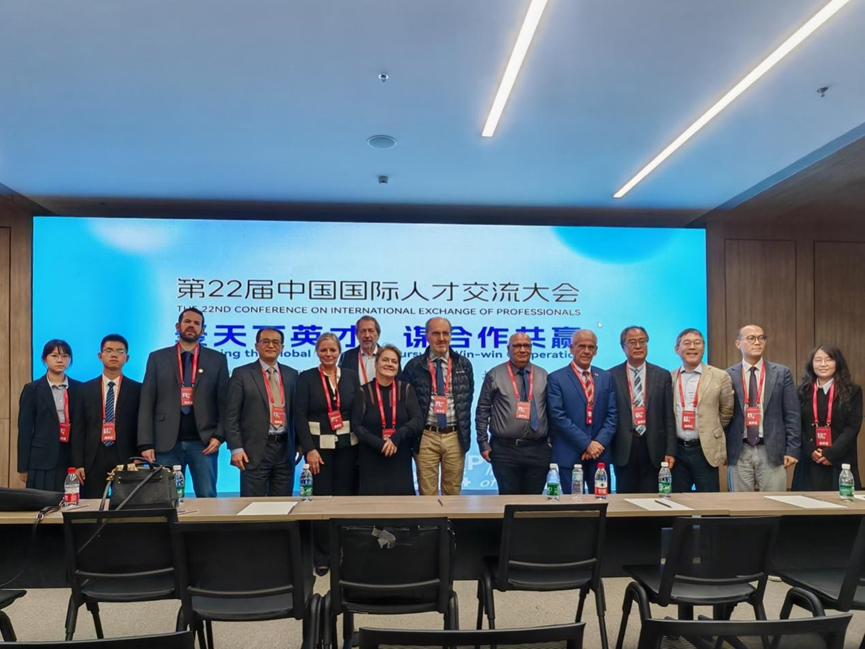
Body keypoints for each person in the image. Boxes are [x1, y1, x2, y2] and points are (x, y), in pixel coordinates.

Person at [138, 308, 229, 498]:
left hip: (203, 443)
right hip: (165, 443)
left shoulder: (217, 359)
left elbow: (224, 402)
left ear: (203, 330)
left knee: (207, 496)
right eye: (187, 321)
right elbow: (147, 401)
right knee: (165, 499)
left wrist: (219, 436)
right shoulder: (157, 358)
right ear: (178, 326)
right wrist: (145, 443)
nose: (191, 326)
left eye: (197, 323)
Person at [295, 332, 359, 571]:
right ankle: (322, 556)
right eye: (323, 350)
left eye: (333, 350)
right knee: (321, 502)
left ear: (339, 351)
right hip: (318, 450)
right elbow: (299, 415)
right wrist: (309, 449)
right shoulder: (307, 377)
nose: (328, 354)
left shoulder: (351, 377)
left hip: (347, 448)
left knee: (344, 500)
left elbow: (357, 411)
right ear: (317, 352)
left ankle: (344, 552)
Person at [401, 317, 474, 495]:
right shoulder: (414, 366)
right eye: (436, 334)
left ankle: (450, 517)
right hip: (426, 435)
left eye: (445, 334)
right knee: (428, 495)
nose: (441, 338)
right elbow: (405, 403)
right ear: (427, 336)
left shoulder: (464, 364)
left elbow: (468, 398)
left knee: (453, 493)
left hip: (455, 436)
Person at [725, 324, 800, 492]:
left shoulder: (781, 373)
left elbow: (792, 414)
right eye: (751, 338)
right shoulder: (727, 375)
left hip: (772, 449)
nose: (757, 342)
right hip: (739, 450)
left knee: (775, 503)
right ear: (738, 344)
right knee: (740, 504)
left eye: (761, 338)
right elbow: (723, 416)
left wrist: (792, 449)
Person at [226, 327, 299, 497]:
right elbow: (231, 414)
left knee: (282, 504)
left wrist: (300, 445)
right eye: (265, 341)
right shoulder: (241, 373)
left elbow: (297, 413)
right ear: (256, 346)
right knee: (252, 505)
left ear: (282, 347)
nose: (271, 345)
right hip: (253, 450)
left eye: (276, 342)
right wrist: (236, 448)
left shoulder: (292, 374)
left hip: (285, 449)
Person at [476, 333, 550, 495]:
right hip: (505, 450)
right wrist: (483, 442)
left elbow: (551, 411)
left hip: (538, 449)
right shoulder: (495, 374)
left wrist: (551, 442)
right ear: (508, 349)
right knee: (508, 499)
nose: (522, 350)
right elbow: (483, 409)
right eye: (517, 346)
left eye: (526, 346)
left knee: (534, 500)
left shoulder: (543, 375)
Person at [547, 329, 618, 495]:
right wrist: (586, 444)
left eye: (591, 347)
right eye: (581, 346)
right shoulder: (556, 378)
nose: (586, 351)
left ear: (596, 350)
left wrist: (598, 443)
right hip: (569, 455)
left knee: (602, 503)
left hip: (599, 455)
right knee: (573, 506)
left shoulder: (605, 377)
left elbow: (612, 415)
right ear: (571, 348)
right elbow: (558, 416)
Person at [71, 334, 141, 499]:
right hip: (93, 457)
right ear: (100, 356)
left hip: (126, 456)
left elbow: (141, 425)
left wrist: (139, 456)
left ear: (127, 358)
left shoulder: (138, 389)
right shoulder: (84, 389)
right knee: (92, 505)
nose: (114, 355)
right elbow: (78, 428)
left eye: (119, 351)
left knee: (126, 505)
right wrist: (77, 463)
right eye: (108, 351)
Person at [609, 326, 676, 493]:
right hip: (624, 447)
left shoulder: (662, 375)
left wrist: (670, 450)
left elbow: (668, 416)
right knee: (625, 497)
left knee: (652, 497)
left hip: (654, 446)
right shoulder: (611, 376)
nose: (638, 346)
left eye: (642, 341)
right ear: (623, 347)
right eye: (632, 342)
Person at [670, 328, 734, 493]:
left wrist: (711, 429)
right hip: (677, 450)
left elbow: (727, 411)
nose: (692, 347)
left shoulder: (720, 376)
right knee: (677, 501)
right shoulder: (669, 377)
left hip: (705, 449)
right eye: (687, 343)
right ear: (677, 349)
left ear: (703, 348)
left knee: (709, 502)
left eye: (697, 343)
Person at [351, 344, 422, 495]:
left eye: (394, 361)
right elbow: (356, 425)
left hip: (400, 455)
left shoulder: (406, 389)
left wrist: (396, 438)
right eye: (385, 360)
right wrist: (380, 444)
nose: (390, 364)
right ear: (376, 364)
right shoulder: (363, 391)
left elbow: (417, 420)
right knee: (372, 505)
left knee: (401, 505)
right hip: (371, 456)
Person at [792, 345, 862, 491]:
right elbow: (796, 425)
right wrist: (811, 450)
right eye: (818, 360)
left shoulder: (852, 391)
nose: (823, 364)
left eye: (829, 360)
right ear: (812, 364)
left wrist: (831, 453)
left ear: (838, 363)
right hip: (810, 461)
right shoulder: (801, 392)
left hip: (840, 460)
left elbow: (852, 427)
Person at [17, 339, 83, 491]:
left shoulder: (79, 388)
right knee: (41, 501)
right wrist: (23, 467)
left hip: (70, 458)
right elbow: (25, 429)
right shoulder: (32, 389)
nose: (60, 360)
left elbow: (81, 427)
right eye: (54, 356)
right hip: (41, 460)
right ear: (44, 359)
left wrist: (80, 462)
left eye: (65, 356)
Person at [338, 315, 389, 385]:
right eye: (363, 331)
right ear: (357, 335)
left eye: (371, 331)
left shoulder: (388, 356)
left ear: (378, 334)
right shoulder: (346, 357)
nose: (367, 335)